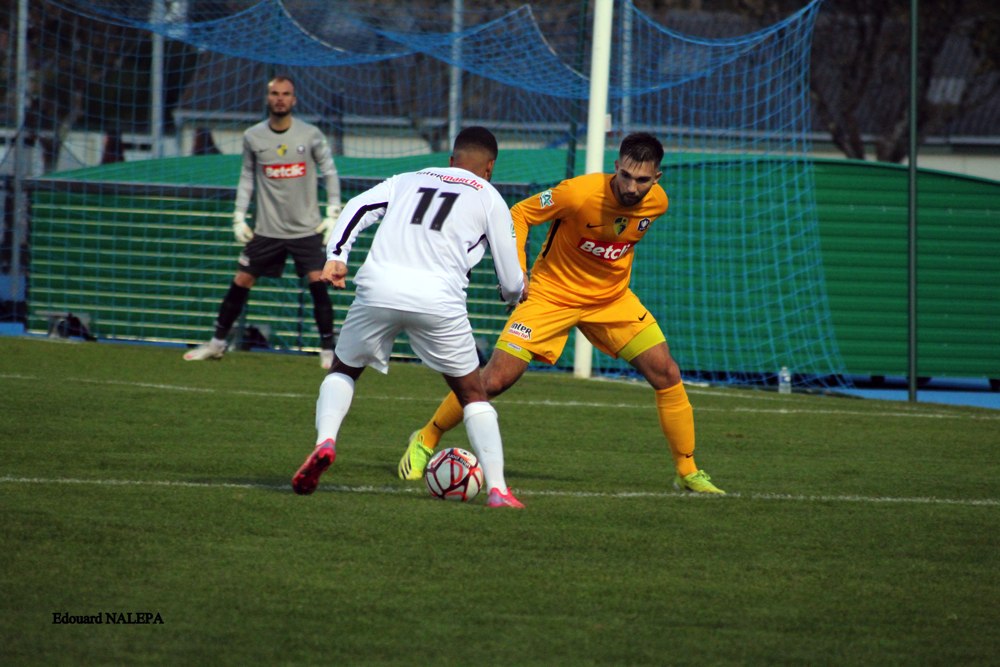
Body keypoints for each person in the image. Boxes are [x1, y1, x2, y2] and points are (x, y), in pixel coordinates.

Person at [397, 132, 726, 495]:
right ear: (615, 167)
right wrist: (517, 271)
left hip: (611, 300)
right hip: (551, 296)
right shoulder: (577, 193)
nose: (632, 187)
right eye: (626, 176)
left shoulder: (657, 203)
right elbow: (519, 214)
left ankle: (687, 470)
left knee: (666, 372)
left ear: (657, 178)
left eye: (642, 180)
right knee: (494, 381)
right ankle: (426, 437)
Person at [291, 126, 527, 508]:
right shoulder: (489, 197)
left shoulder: (407, 179)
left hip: (378, 287)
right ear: (490, 168)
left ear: (451, 160)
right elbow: (512, 278)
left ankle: (325, 442)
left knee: (343, 370)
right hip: (438, 300)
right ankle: (498, 489)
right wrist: (513, 294)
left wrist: (337, 256)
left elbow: (357, 206)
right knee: (472, 394)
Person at [183, 75, 342, 369]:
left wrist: (333, 211)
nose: (280, 98)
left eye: (286, 94)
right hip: (267, 230)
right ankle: (216, 344)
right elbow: (246, 177)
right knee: (241, 280)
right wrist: (238, 216)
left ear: (294, 100)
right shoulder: (252, 136)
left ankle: (327, 351)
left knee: (318, 283)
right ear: (267, 98)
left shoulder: (310, 134)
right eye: (275, 93)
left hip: (306, 229)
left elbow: (330, 172)